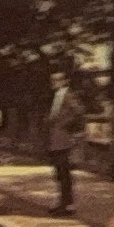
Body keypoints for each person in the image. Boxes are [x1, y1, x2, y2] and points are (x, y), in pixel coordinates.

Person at [46, 73, 91, 216]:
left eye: (57, 80)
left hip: (64, 141)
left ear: (65, 81)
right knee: (59, 174)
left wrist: (66, 125)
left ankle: (67, 205)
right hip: (56, 140)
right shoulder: (57, 95)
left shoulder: (69, 96)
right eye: (53, 79)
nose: (54, 82)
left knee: (64, 174)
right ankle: (62, 203)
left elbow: (79, 112)